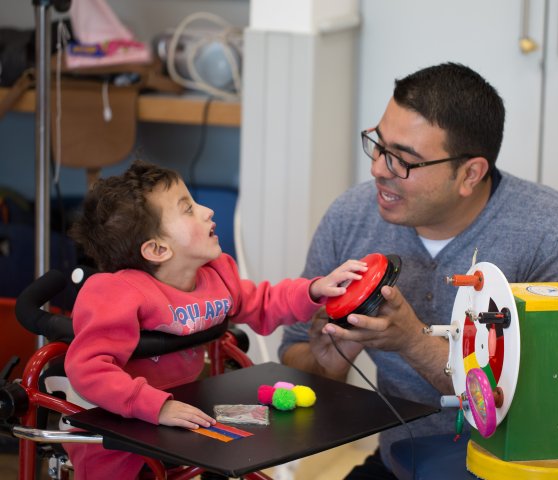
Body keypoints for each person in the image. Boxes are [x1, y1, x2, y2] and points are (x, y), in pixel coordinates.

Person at [279, 62, 558, 478]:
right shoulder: (351, 216)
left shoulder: (556, 233)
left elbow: (551, 403)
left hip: (509, 468)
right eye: (379, 144)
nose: (379, 168)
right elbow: (295, 356)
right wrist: (330, 361)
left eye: (403, 160)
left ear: (470, 174)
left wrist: (413, 342)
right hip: (401, 460)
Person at [63, 160, 367, 480]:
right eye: (188, 209)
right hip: (116, 423)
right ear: (157, 248)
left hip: (184, 409)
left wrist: (315, 289)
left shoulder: (217, 274)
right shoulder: (115, 292)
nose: (207, 210)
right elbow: (89, 368)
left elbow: (263, 302)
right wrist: (156, 406)